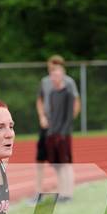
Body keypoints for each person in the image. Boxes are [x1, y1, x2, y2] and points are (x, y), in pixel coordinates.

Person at [34, 55, 80, 201]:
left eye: (54, 68)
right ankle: (39, 192)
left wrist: (66, 123)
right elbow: (40, 100)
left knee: (63, 159)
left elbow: (75, 102)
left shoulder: (68, 83)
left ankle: (66, 193)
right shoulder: (45, 82)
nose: (52, 71)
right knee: (42, 158)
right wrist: (42, 117)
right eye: (50, 68)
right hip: (47, 125)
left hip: (61, 127)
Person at [45, 64, 76, 201]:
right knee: (57, 165)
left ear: (62, 76)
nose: (54, 78)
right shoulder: (51, 93)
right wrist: (50, 132)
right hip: (52, 133)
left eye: (57, 75)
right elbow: (52, 115)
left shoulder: (68, 94)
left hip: (63, 135)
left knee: (66, 164)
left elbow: (69, 116)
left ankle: (68, 193)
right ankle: (61, 191)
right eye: (52, 75)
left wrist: (62, 134)